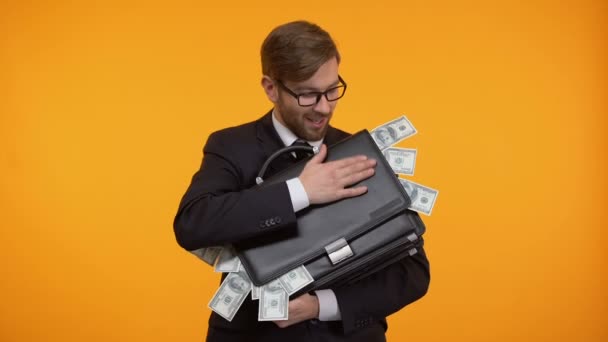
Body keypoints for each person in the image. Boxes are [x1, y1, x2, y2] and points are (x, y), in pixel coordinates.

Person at [173, 20, 430, 342]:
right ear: (271, 88)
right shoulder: (230, 146)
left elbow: (413, 273)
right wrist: (301, 191)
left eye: (332, 90)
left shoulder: (361, 155)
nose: (324, 108)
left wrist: (320, 306)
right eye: (308, 95)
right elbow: (193, 224)